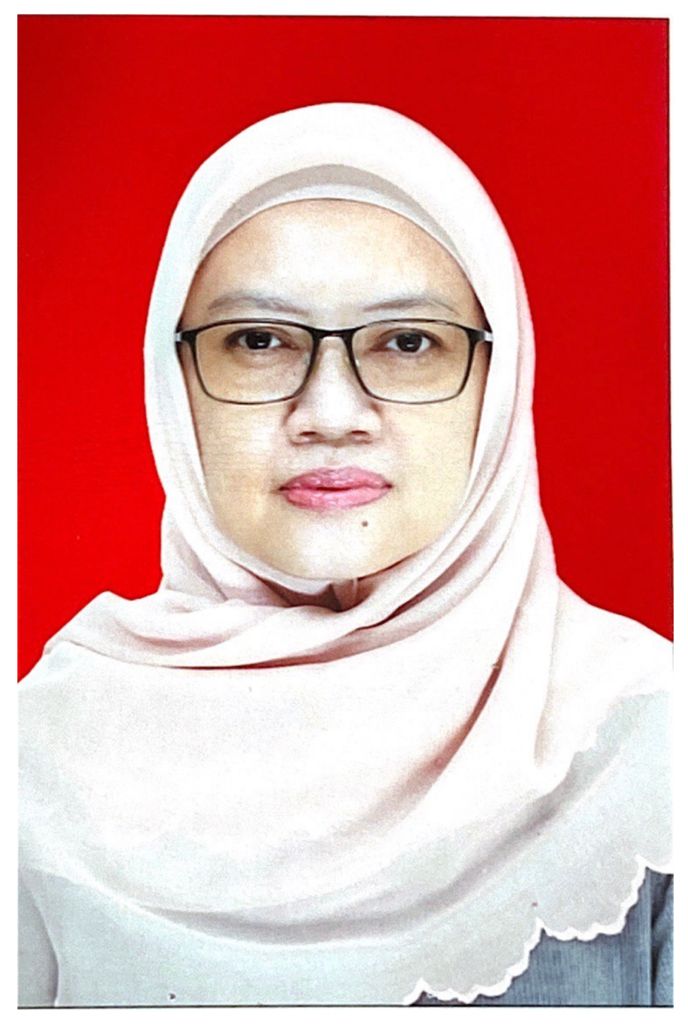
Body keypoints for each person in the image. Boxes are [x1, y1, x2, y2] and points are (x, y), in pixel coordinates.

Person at [18, 102, 672, 1007]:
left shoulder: (648, 743)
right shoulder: (43, 753)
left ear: (499, 381)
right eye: (258, 341)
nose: (330, 412)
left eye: (408, 342)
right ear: (175, 384)